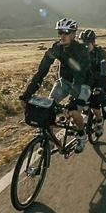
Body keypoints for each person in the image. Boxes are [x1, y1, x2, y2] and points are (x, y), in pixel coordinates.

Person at [20, 18, 91, 153]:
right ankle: (50, 141)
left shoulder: (81, 50)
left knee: (74, 112)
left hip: (83, 83)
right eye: (60, 32)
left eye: (65, 32)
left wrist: (73, 101)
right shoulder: (56, 48)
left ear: (73, 34)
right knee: (48, 108)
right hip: (64, 81)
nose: (62, 36)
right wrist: (28, 93)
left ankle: (82, 134)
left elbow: (79, 76)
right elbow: (41, 72)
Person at [79, 29, 106, 136]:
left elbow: (104, 72)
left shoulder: (101, 53)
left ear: (93, 42)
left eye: (87, 44)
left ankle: (99, 121)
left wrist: (100, 88)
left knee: (95, 105)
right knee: (79, 104)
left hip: (99, 83)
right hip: (86, 84)